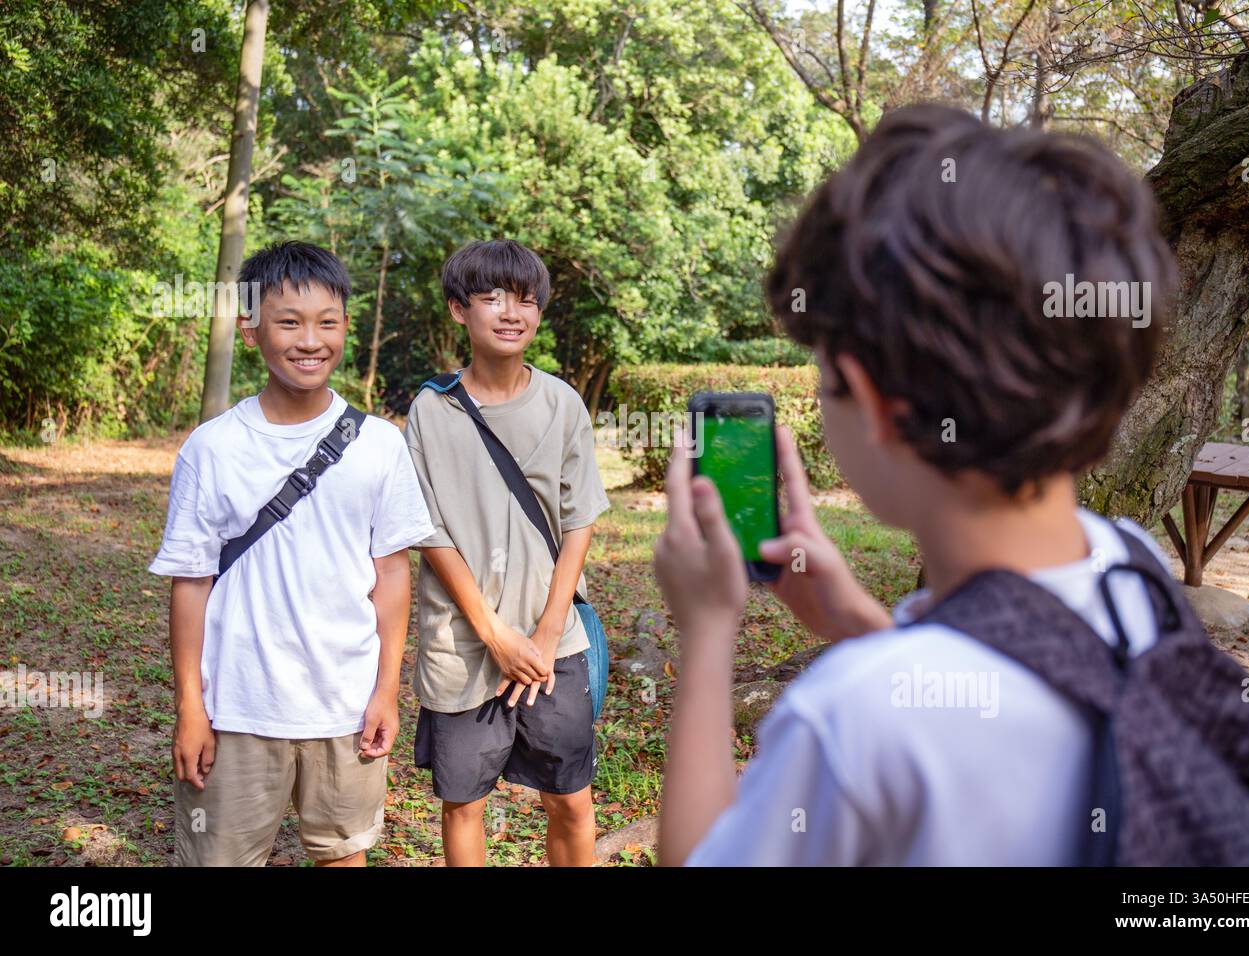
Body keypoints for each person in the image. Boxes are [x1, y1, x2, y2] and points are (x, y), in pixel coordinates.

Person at [654, 104, 1183, 865]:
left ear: (870, 403)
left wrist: (707, 632)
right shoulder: (1133, 566)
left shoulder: (850, 720)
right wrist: (864, 627)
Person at [150, 240, 435, 866]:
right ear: (251, 329)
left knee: (343, 852)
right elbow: (191, 583)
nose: (311, 340)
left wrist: (386, 690)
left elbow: (391, 575)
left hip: (344, 704)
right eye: (289, 322)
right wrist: (190, 708)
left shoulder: (379, 446)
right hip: (237, 707)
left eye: (326, 323)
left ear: (344, 328)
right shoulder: (212, 448)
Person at [403, 239, 610, 866]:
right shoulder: (430, 410)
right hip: (462, 645)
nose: (512, 311)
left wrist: (546, 633)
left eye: (525, 299)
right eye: (492, 297)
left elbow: (578, 521)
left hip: (556, 647)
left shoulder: (562, 403)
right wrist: (493, 633)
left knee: (570, 797)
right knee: (464, 803)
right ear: (458, 310)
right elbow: (429, 530)